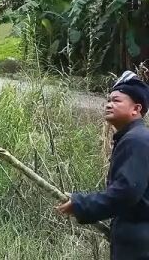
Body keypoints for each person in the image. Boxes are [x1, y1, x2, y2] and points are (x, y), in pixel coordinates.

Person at [56, 71, 149, 259]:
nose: (108, 104)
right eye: (108, 100)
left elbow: (127, 191)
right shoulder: (133, 138)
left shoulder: (136, 140)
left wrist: (82, 204)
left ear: (136, 109)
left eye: (116, 100)